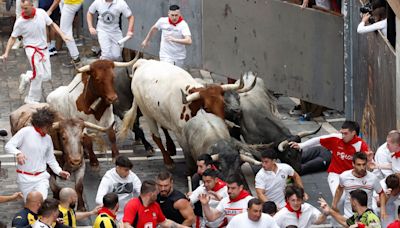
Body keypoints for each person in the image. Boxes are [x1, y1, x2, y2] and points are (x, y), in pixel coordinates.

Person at [0, 0, 70, 104]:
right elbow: (12, 38)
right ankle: (31, 99)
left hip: (43, 48)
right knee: (39, 74)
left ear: (32, 6)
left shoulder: (41, 13)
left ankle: (27, 77)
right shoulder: (20, 22)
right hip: (31, 49)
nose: (23, 11)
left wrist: (63, 35)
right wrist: (6, 53)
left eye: (26, 8)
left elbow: (52, 24)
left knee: (47, 76)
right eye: (22, 8)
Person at [289, 121, 370, 210]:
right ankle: (334, 222)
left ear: (353, 133)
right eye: (341, 133)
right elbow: (318, 139)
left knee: (353, 201)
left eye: (345, 134)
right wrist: (301, 145)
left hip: (352, 176)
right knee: (340, 199)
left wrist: (370, 163)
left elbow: (368, 162)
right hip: (335, 174)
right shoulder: (336, 138)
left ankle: (347, 219)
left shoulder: (361, 145)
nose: (343, 136)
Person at [5, 107, 70, 200]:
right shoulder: (25, 132)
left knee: (40, 202)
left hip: (41, 178)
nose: (50, 128)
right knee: (31, 205)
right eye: (48, 126)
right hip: (25, 178)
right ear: (41, 124)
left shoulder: (48, 138)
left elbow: (51, 159)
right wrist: (18, 153)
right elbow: (9, 146)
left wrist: (59, 171)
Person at [331, 152, 382, 217]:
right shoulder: (344, 176)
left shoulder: (373, 178)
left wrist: (383, 209)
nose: (362, 167)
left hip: (366, 216)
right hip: (349, 215)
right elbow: (339, 189)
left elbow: (381, 193)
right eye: (359, 165)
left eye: (364, 164)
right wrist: (334, 204)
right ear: (353, 164)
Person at [95, 155, 142, 221]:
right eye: (125, 170)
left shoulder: (132, 176)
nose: (128, 173)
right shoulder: (109, 177)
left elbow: (141, 192)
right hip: (113, 213)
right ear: (118, 168)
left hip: (129, 212)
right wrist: (109, 206)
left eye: (129, 170)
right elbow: (99, 198)